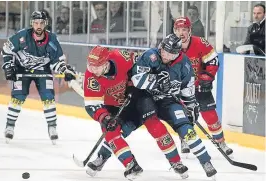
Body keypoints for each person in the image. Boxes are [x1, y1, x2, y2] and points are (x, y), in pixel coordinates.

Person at [83, 45, 188, 179]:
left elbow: (141, 68)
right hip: (113, 106)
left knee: (153, 124)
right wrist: (105, 118)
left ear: (106, 62)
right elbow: (92, 106)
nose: (93, 70)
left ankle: (176, 162)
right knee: (111, 131)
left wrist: (133, 85)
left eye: (96, 66)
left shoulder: (122, 57)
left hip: (137, 97)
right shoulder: (91, 77)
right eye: (90, 66)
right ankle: (131, 165)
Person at [131, 34, 217, 178]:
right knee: (124, 126)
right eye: (165, 50)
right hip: (146, 99)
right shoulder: (150, 56)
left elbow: (187, 90)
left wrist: (191, 106)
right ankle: (104, 156)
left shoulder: (185, 64)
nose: (166, 55)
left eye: (171, 53)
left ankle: (206, 162)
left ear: (178, 53)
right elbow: (136, 79)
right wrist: (157, 81)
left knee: (186, 128)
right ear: (161, 46)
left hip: (168, 101)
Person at [1, 11, 76, 145]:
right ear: (32, 24)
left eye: (41, 22)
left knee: (48, 98)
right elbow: (6, 50)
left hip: (43, 70)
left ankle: (52, 127)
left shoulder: (52, 39)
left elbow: (56, 61)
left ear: (45, 23)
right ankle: (10, 126)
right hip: (21, 69)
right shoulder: (22, 36)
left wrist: (64, 70)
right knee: (17, 97)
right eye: (36, 23)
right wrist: (8, 66)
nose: (39, 25)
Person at [173, 17, 233, 155]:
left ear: (190, 30)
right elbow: (162, 66)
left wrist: (207, 77)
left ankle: (221, 141)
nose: (181, 33)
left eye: (184, 30)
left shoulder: (200, 43)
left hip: (199, 86)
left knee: (210, 114)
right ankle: (184, 140)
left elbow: (213, 60)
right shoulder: (169, 45)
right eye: (178, 30)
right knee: (184, 117)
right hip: (180, 89)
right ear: (174, 31)